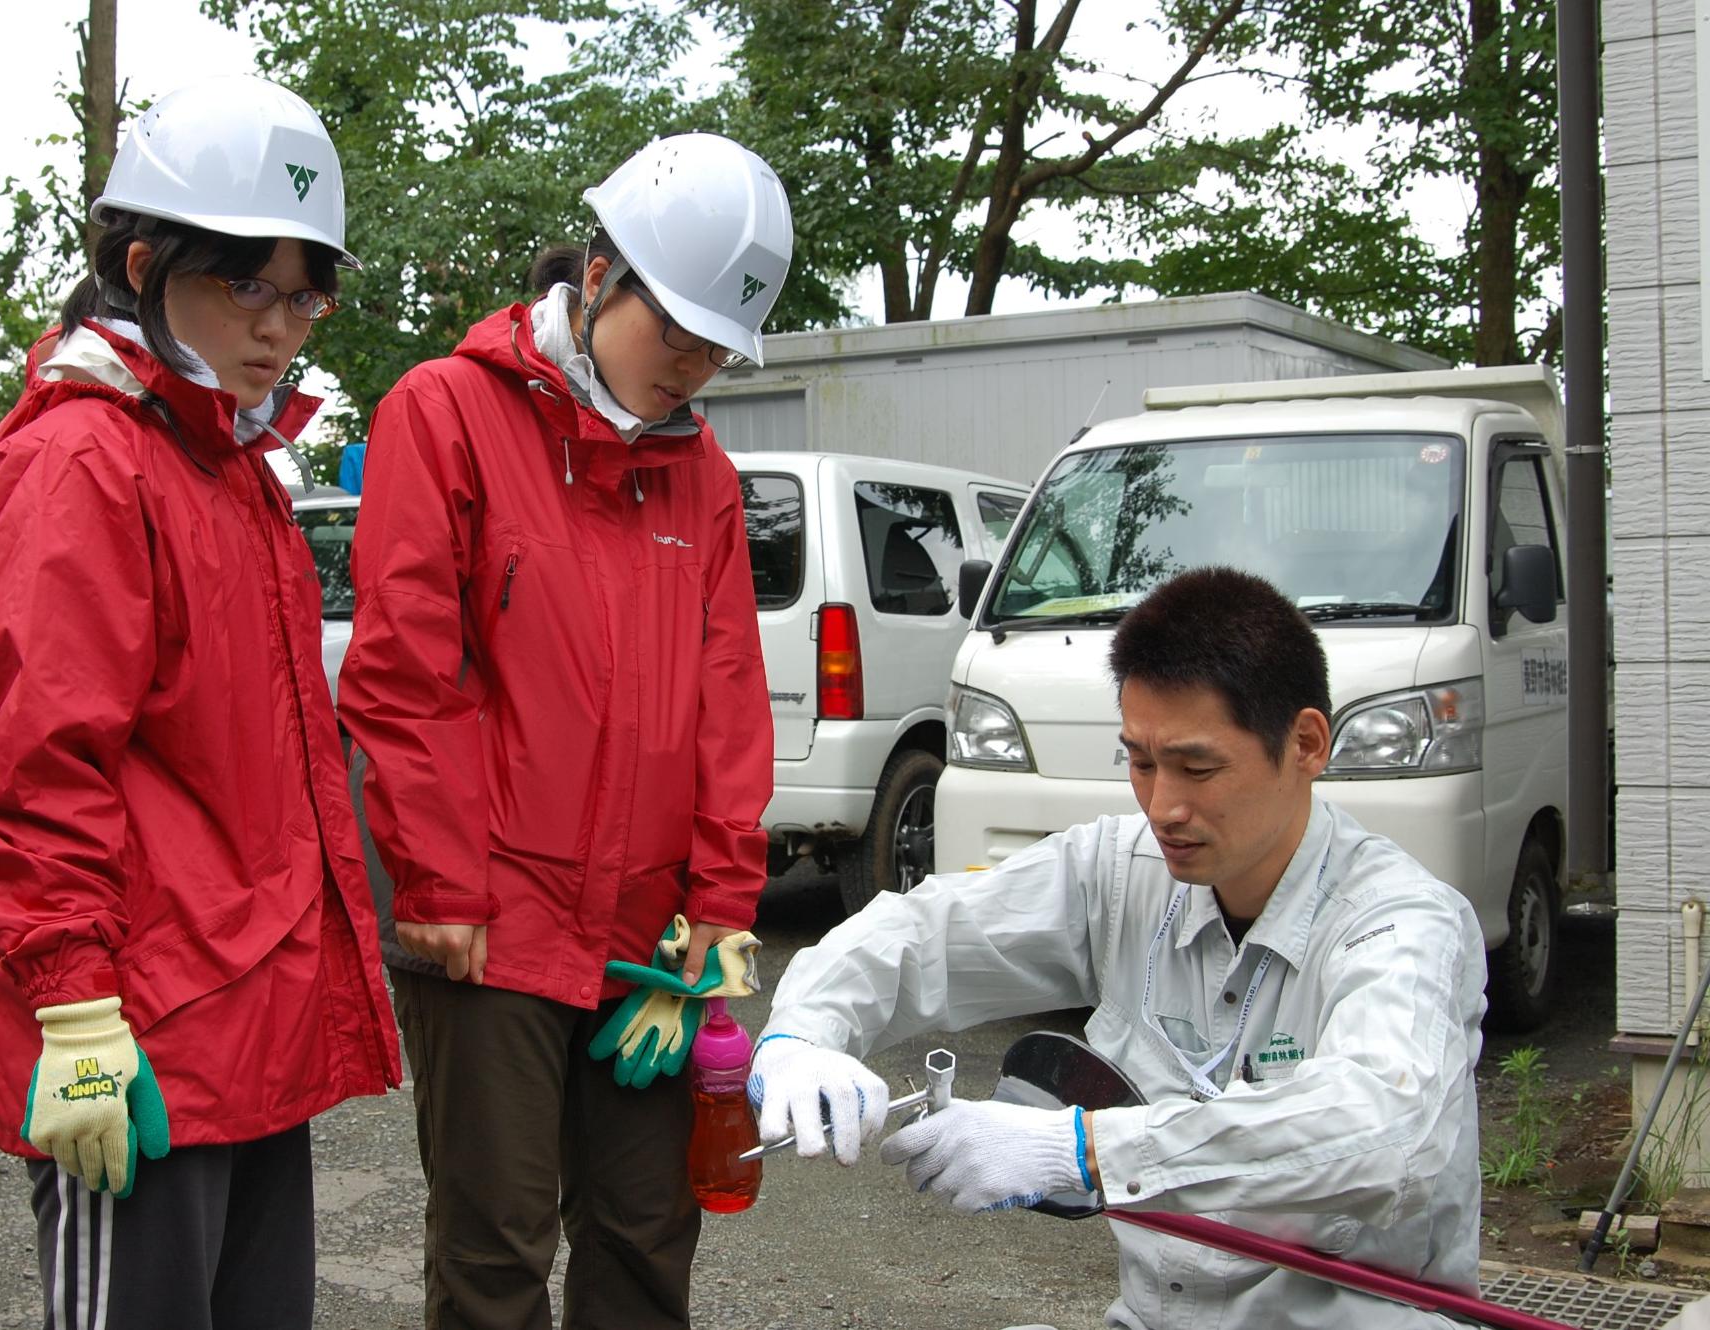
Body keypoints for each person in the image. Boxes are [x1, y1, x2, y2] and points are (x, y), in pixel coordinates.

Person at [0, 75, 400, 1330]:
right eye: (246, 284)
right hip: (132, 1032)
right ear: (143, 266)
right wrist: (72, 1004)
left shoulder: (230, 461)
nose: (278, 326)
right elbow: (40, 766)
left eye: (303, 294)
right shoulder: (83, 459)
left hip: (248, 1027)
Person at [750, 566, 1487, 1329]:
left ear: (1305, 744)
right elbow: (925, 931)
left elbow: (1383, 1133)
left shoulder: (1401, 923)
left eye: (1198, 768)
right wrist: (803, 1033)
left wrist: (1083, 1151)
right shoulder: (1122, 870)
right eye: (1140, 762)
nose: (1163, 806)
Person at [337, 132, 791, 1329]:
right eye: (676, 332)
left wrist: (721, 910)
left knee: (648, 1232)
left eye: (717, 348)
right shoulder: (445, 412)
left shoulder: (703, 476)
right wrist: (436, 879)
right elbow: (405, 672)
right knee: (494, 1244)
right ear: (598, 277)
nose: (692, 368)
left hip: (647, 932)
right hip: (488, 918)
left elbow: (727, 701)